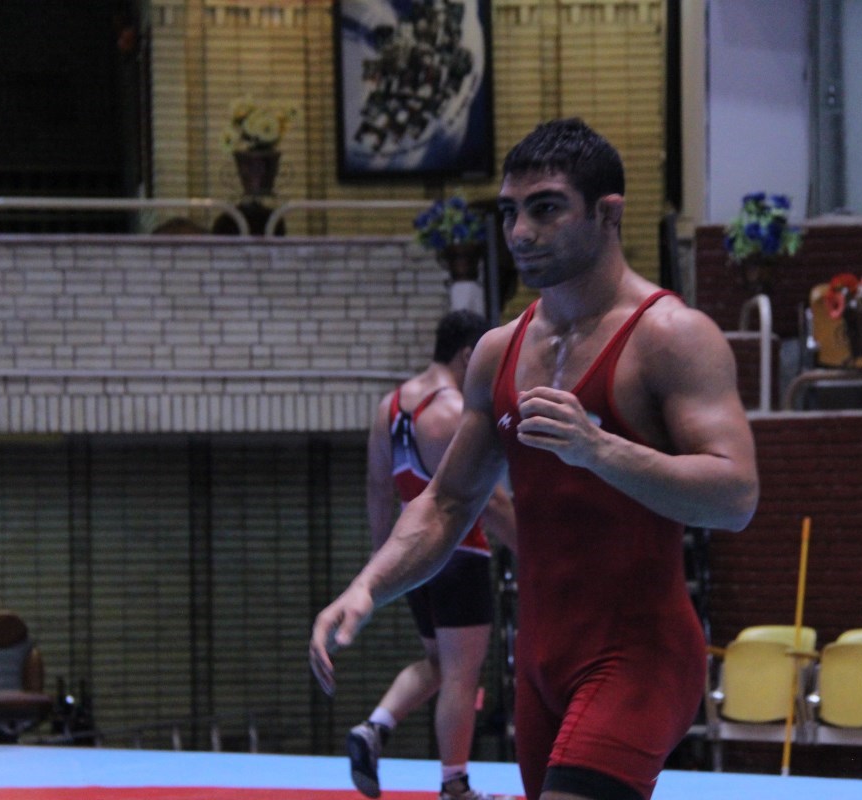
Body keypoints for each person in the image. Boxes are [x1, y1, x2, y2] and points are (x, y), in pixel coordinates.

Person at [311, 118, 759, 800]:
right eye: (509, 212)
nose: (520, 232)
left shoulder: (672, 336)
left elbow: (735, 496)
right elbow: (449, 502)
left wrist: (599, 449)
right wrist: (369, 586)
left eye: (546, 209)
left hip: (639, 656)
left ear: (608, 213)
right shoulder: (498, 352)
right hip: (540, 665)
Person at [347, 309, 518, 800]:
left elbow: (378, 488)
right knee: (462, 675)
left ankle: (374, 727)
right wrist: (533, 550)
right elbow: (490, 500)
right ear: (468, 354)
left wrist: (382, 563)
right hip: (459, 553)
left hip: (413, 561)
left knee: (439, 664)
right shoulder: (453, 410)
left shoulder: (390, 407)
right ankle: (454, 785)